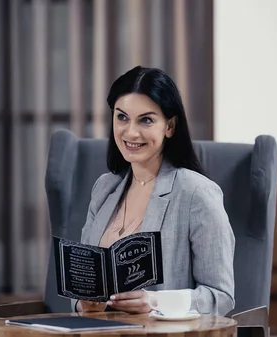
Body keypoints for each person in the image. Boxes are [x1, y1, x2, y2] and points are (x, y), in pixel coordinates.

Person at [73, 66, 235, 316]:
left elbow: (220, 297)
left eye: (146, 120)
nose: (131, 132)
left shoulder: (196, 193)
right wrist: (84, 303)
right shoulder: (104, 188)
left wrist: (156, 302)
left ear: (169, 126)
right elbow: (82, 287)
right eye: (122, 117)